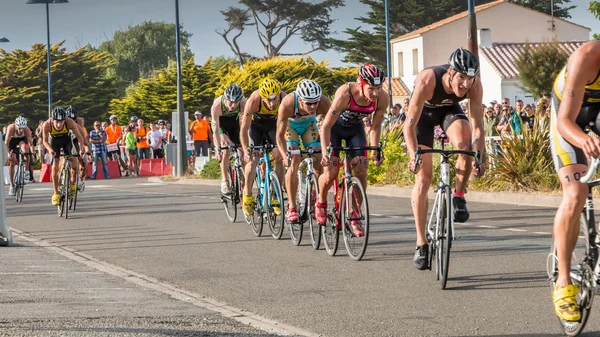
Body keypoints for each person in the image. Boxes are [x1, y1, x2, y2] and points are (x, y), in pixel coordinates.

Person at [403, 48, 486, 270]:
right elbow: (408, 124)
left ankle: (458, 195)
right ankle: (421, 242)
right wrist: (414, 155)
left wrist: (480, 155)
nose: (466, 84)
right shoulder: (428, 79)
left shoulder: (474, 86)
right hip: (422, 119)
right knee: (423, 179)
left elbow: (478, 127)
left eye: (470, 79)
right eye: (462, 78)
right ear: (450, 73)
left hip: (448, 112)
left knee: (465, 146)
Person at [549, 40, 600, 322]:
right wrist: (584, 141)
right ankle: (564, 282)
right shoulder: (587, 57)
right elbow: (565, 121)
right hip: (569, 118)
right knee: (576, 193)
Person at [316, 64, 388, 237]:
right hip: (335, 130)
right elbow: (326, 125)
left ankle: (355, 215)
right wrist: (325, 153)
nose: (375, 93)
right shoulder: (345, 93)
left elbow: (376, 127)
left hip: (355, 131)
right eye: (371, 89)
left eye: (379, 88)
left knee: (362, 171)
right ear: (360, 83)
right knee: (331, 172)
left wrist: (374, 150)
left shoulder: (382, 98)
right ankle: (321, 201)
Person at [276, 79, 331, 223]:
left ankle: (314, 195)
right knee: (294, 160)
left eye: (315, 103)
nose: (313, 106)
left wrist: (328, 149)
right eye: (308, 103)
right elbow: (279, 135)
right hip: (290, 128)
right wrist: (284, 155)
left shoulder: (324, 102)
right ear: (300, 100)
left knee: (320, 159)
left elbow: (332, 127)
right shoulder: (287, 103)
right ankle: (292, 207)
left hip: (310, 126)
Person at [240, 78, 287, 217]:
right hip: (256, 127)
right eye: (268, 101)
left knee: (280, 157)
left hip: (273, 127)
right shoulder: (254, 100)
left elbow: (288, 125)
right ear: (262, 97)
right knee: (253, 160)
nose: (272, 104)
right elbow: (244, 129)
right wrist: (245, 150)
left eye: (274, 100)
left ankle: (274, 194)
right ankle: (247, 194)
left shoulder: (284, 98)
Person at [41, 107, 85, 206]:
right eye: (57, 121)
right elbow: (44, 141)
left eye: (61, 121)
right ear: (52, 119)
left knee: (74, 161)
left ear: (64, 120)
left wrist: (81, 149)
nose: (59, 124)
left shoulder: (70, 122)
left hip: (66, 140)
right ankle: (56, 193)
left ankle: (73, 183)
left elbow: (80, 138)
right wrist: (50, 150)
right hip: (54, 142)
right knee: (55, 165)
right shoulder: (47, 124)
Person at [211, 83, 247, 194]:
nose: (233, 106)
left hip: (234, 124)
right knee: (225, 150)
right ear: (225, 99)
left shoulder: (243, 103)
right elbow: (215, 130)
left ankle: (244, 183)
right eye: (230, 102)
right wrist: (217, 148)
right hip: (221, 126)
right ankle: (225, 181)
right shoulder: (217, 105)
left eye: (236, 102)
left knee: (242, 153)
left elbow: (247, 125)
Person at [5, 116, 34, 196]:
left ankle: (26, 171)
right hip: (12, 141)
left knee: (26, 150)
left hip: (22, 140)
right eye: (20, 128)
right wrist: (8, 153)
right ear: (16, 126)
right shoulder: (11, 128)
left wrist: (32, 153)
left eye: (23, 128)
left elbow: (31, 143)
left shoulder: (27, 130)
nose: (21, 130)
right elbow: (6, 143)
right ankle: (11, 185)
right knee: (12, 161)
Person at [66, 106, 90, 190]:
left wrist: (87, 151)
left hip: (76, 139)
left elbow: (83, 139)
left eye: (74, 119)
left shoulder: (79, 122)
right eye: (70, 119)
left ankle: (81, 179)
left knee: (82, 161)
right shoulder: (63, 122)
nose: (72, 121)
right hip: (65, 140)